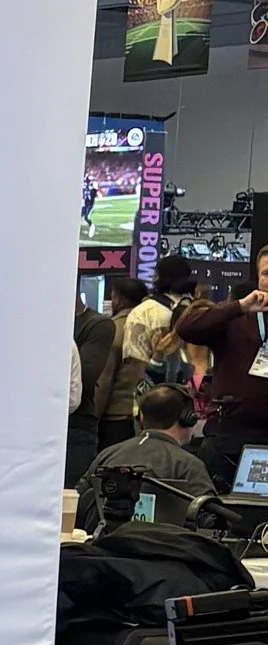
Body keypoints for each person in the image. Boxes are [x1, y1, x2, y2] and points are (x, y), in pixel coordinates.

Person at [172, 223, 268, 491]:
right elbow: (186, 328)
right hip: (231, 436)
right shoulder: (237, 317)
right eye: (266, 274)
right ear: (258, 278)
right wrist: (238, 306)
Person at [84, 384, 215, 525]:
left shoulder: (107, 455)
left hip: (105, 544)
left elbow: (76, 500)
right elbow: (211, 519)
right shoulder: (188, 466)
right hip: (164, 545)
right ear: (187, 418)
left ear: (141, 417)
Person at [98, 264, 172, 449]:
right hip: (145, 413)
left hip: (116, 413)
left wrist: (95, 417)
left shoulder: (111, 329)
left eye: (113, 297)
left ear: (119, 300)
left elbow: (104, 380)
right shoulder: (157, 321)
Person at [67, 287, 117, 489]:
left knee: (72, 501)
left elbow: (83, 382)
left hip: (75, 427)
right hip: (36, 425)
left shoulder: (97, 325)